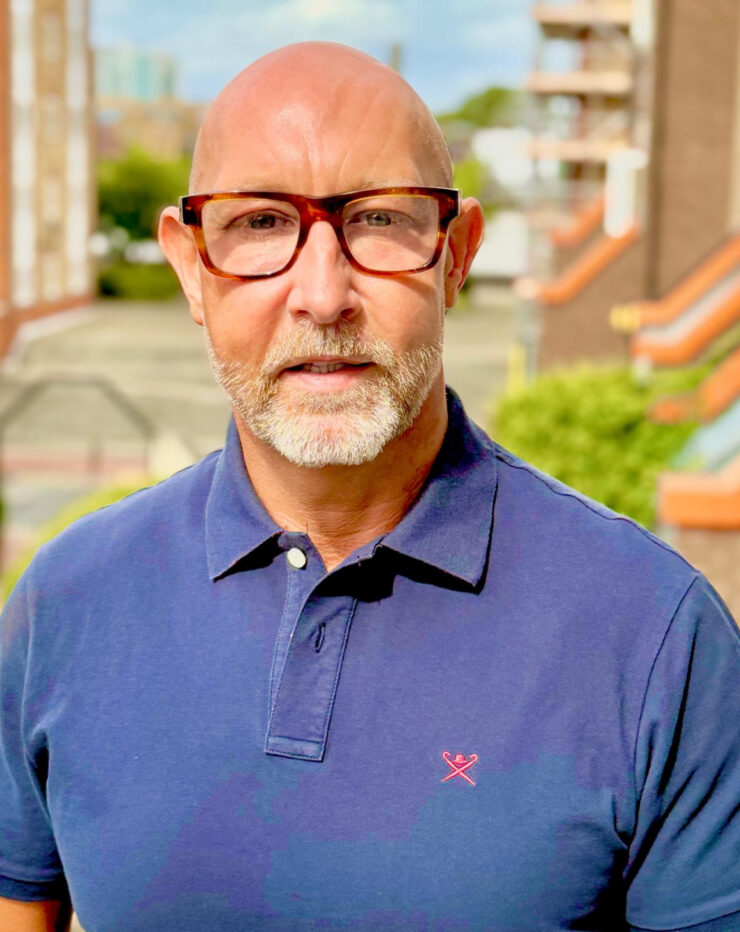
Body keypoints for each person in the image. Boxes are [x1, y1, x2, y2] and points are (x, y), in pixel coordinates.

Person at [1, 41, 740, 932]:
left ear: (457, 254)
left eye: (380, 222)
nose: (322, 295)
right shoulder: (67, 601)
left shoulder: (655, 635)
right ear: (192, 267)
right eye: (262, 224)